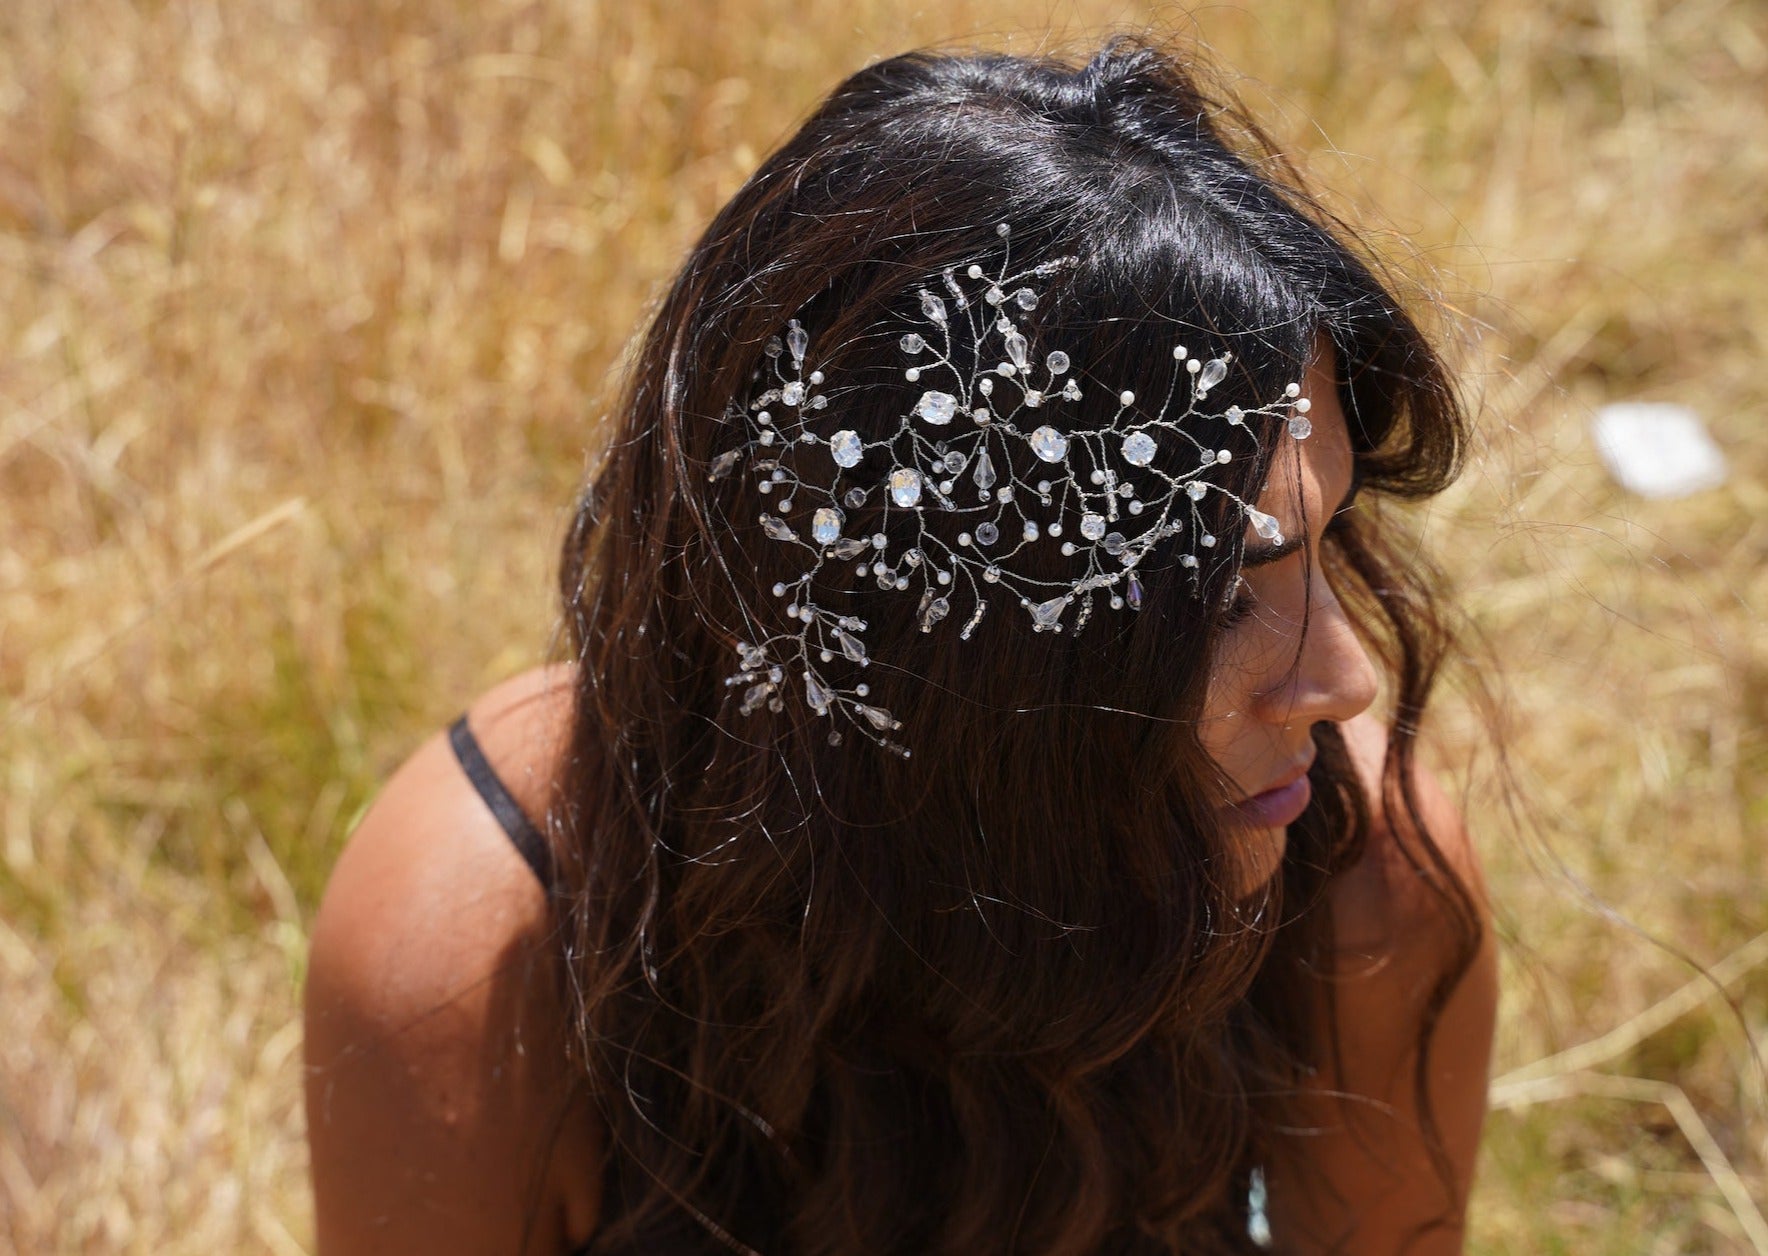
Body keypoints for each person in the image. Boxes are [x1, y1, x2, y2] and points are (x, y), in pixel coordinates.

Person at [304, 38, 1497, 1256]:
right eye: (1218, 598)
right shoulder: (485, 943)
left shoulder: (1352, 864)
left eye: (1328, 532)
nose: (1346, 676)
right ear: (934, 652)